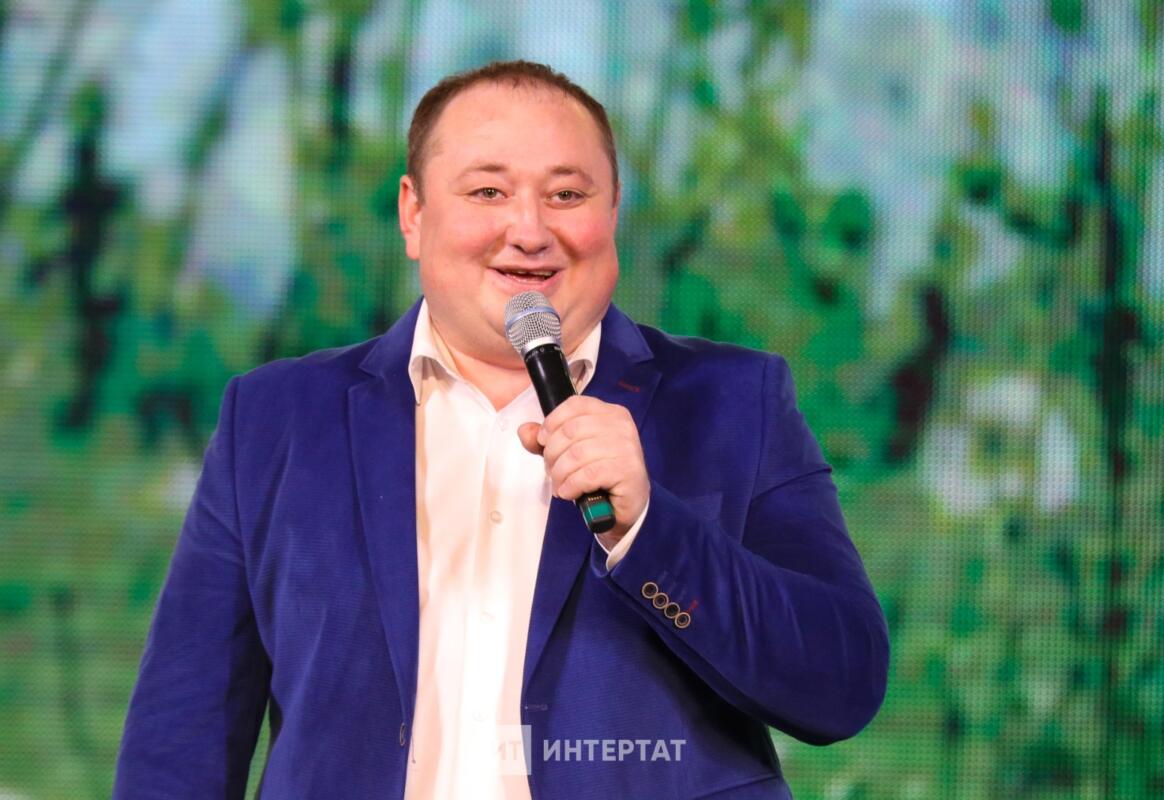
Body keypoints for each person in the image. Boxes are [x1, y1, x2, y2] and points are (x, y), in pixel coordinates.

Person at [114, 60, 889, 799]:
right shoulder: (276, 419)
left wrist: (650, 531)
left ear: (612, 213)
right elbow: (181, 738)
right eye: (487, 191)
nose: (529, 230)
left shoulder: (734, 402)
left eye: (566, 194)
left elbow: (841, 683)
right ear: (413, 214)